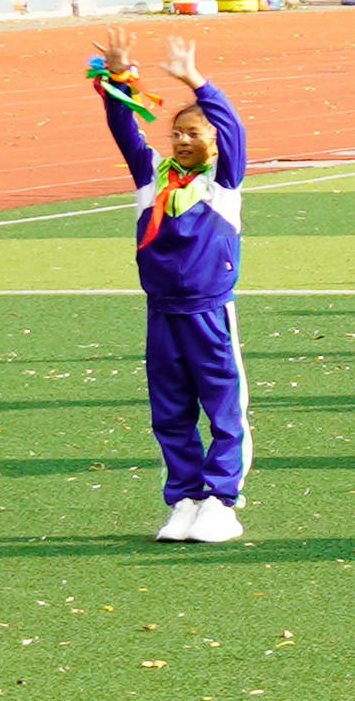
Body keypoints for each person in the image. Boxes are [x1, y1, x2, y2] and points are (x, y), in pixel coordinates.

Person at [95, 41, 250, 540]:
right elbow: (125, 131)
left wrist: (197, 82)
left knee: (223, 405)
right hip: (162, 312)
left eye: (194, 133)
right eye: (177, 132)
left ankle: (223, 500)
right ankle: (185, 497)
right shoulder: (152, 179)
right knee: (170, 409)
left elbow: (234, 130)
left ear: (214, 142)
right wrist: (119, 80)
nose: (183, 140)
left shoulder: (222, 183)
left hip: (209, 313)